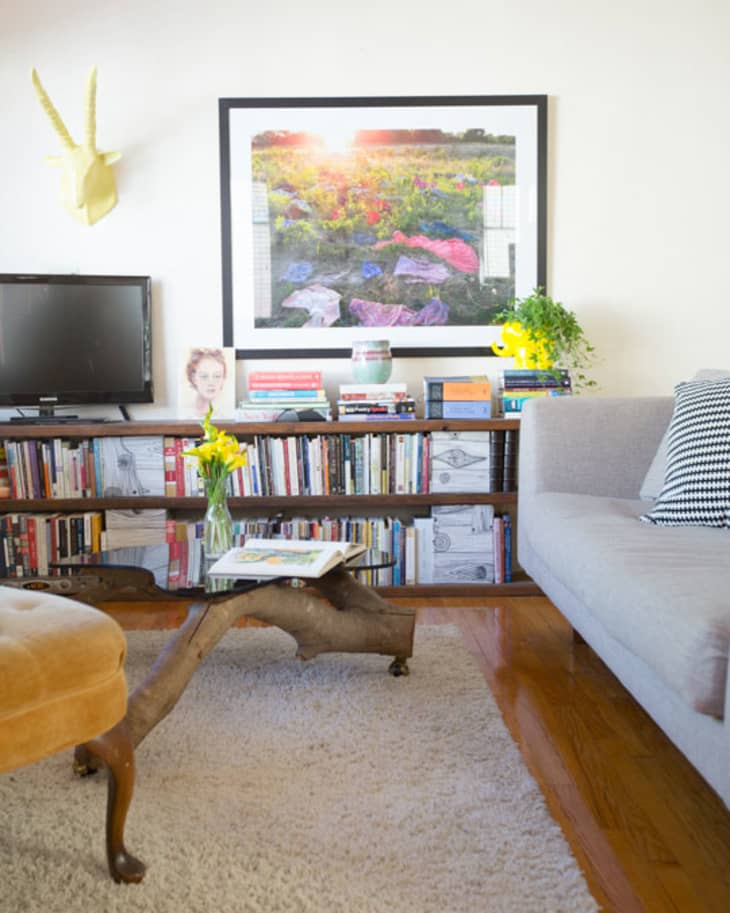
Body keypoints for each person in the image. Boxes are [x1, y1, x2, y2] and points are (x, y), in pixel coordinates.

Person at [186, 348, 228, 417]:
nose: (211, 383)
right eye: (204, 376)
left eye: (217, 376)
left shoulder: (223, 415)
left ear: (223, 379)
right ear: (194, 378)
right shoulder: (186, 415)